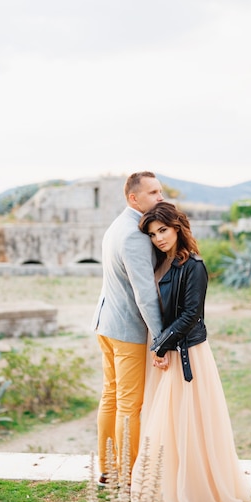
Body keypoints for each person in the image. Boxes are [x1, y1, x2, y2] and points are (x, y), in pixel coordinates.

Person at [131, 201, 251, 502]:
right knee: (168, 425)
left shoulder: (193, 265)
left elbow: (190, 314)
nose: (158, 238)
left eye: (163, 230)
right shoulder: (164, 262)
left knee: (191, 425)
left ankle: (199, 492)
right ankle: (169, 487)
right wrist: (159, 347)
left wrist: (160, 347)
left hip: (187, 353)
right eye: (153, 233)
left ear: (177, 227)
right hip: (168, 350)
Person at [92, 171, 164, 485]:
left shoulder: (116, 225)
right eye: (153, 193)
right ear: (133, 198)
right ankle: (127, 474)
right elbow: (144, 292)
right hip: (126, 330)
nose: (160, 198)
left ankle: (109, 469)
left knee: (111, 396)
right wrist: (161, 337)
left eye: (160, 191)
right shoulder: (134, 234)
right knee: (129, 404)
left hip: (105, 323)